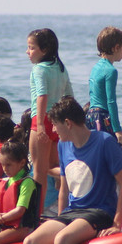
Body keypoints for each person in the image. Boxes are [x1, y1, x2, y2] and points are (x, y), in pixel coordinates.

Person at [23, 97, 122, 244]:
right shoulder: (62, 145)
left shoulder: (105, 142)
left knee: (62, 240)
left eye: (55, 124)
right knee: (30, 242)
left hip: (100, 211)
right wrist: (60, 219)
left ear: (68, 123)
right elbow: (64, 189)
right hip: (72, 211)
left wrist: (117, 224)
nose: (53, 130)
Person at [27, 28, 74, 198]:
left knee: (39, 173)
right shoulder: (61, 68)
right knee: (56, 169)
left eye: (31, 48)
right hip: (58, 121)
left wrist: (40, 125)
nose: (28, 52)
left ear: (44, 50)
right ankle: (63, 210)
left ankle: (35, 216)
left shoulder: (39, 69)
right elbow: (69, 96)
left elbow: (42, 95)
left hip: (42, 119)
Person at [86, 26, 122, 146]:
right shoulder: (111, 71)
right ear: (116, 48)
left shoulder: (95, 68)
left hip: (90, 116)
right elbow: (111, 101)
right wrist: (118, 130)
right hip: (102, 117)